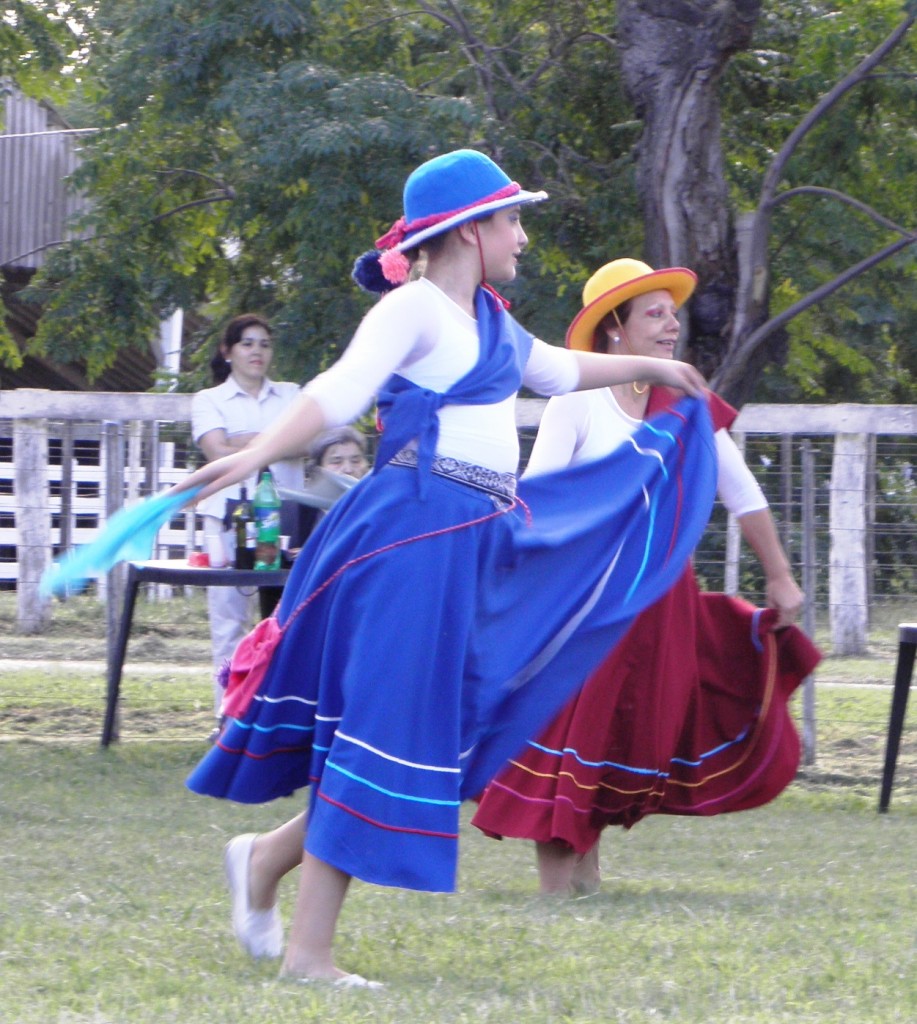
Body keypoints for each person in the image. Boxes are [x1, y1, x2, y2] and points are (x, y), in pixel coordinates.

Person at [175, 150, 713, 987]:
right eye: (512, 220)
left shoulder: (491, 319)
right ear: (469, 230)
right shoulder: (414, 309)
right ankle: (309, 956)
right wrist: (256, 457)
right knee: (387, 722)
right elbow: (337, 390)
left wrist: (653, 367)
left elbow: (560, 369)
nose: (523, 238)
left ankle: (267, 861)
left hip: (475, 536)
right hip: (414, 534)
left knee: (428, 729)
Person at [471, 258, 821, 895]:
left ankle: (587, 873)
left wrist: (781, 577)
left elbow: (742, 493)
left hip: (660, 604)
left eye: (672, 312)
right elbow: (541, 498)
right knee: (568, 726)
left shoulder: (684, 406)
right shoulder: (576, 402)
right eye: (653, 313)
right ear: (614, 329)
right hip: (589, 601)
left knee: (622, 731)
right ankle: (559, 888)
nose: (671, 325)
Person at [191, 314, 304, 721]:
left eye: (264, 344)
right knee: (228, 623)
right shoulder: (209, 400)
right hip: (228, 519)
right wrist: (275, 441)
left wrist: (243, 442)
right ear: (228, 351)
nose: (257, 351)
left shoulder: (292, 395)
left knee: (284, 623)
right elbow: (215, 452)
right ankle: (227, 718)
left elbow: (305, 443)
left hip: (286, 521)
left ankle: (275, 719)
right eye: (247, 343)